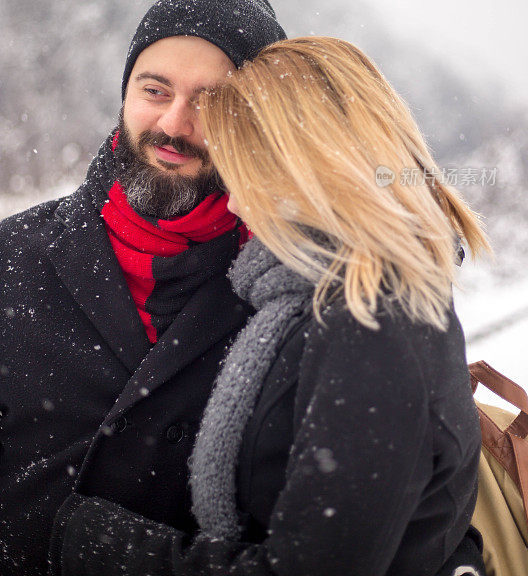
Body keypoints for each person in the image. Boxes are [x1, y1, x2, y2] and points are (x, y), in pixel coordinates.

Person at [48, 36, 490, 576]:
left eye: (246, 161)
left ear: (309, 160)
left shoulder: (376, 320)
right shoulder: (319, 295)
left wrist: (104, 546)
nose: (231, 194)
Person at [0, 0, 287, 576]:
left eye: (212, 103)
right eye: (154, 90)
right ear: (126, 93)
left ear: (258, 123)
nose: (174, 124)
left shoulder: (286, 300)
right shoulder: (14, 258)